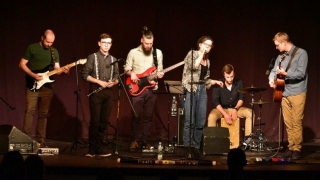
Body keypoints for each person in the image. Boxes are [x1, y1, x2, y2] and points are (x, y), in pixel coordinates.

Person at [19, 29, 69, 148]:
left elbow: (57, 70)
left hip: (47, 86)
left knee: (43, 114)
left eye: (51, 42)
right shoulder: (32, 48)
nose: (49, 45)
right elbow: (21, 64)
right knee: (30, 111)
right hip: (33, 83)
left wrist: (64, 72)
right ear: (42, 38)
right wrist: (33, 75)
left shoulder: (54, 51)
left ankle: (41, 140)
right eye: (47, 42)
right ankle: (26, 139)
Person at [268, 32, 308, 160]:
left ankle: (297, 148)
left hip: (297, 92)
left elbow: (301, 73)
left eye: (277, 45)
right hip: (283, 91)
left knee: (296, 121)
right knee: (288, 122)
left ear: (284, 42)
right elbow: (274, 70)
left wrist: (286, 73)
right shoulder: (281, 56)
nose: (276, 47)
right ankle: (291, 147)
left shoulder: (301, 53)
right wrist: (271, 78)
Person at [124, 26, 164, 149]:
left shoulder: (158, 53)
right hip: (137, 88)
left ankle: (145, 141)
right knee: (136, 115)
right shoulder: (133, 52)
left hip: (152, 89)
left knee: (148, 116)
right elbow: (126, 69)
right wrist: (132, 73)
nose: (149, 46)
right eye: (146, 43)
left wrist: (160, 74)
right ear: (141, 40)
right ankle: (136, 140)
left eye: (151, 43)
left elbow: (159, 69)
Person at [181, 36, 223, 150]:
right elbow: (193, 66)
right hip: (191, 88)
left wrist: (215, 81)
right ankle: (186, 146)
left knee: (200, 121)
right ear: (200, 44)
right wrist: (201, 54)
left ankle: (195, 146)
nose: (207, 47)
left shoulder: (207, 61)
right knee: (190, 121)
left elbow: (205, 79)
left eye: (209, 46)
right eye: (205, 45)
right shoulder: (192, 54)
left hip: (202, 90)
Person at [82, 33, 119, 157]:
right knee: (95, 121)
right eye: (104, 43)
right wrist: (99, 81)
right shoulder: (92, 57)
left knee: (104, 122)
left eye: (109, 43)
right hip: (95, 93)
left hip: (108, 93)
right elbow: (85, 75)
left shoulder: (114, 60)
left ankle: (99, 148)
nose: (106, 45)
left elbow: (117, 77)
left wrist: (113, 83)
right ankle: (91, 149)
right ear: (99, 43)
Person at [207, 64, 254, 141]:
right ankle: (212, 142)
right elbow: (215, 102)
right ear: (224, 75)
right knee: (212, 116)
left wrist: (235, 109)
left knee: (250, 113)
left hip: (235, 108)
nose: (230, 79)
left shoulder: (239, 82)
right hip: (222, 109)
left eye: (232, 76)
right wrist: (225, 114)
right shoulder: (218, 84)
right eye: (227, 77)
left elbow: (241, 98)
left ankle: (248, 140)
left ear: (234, 74)